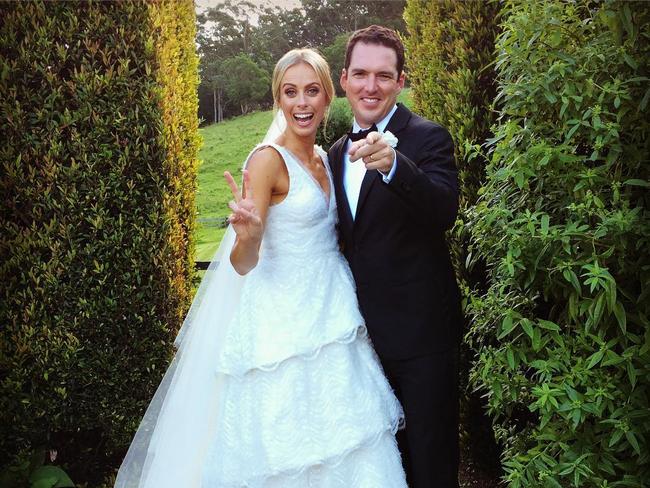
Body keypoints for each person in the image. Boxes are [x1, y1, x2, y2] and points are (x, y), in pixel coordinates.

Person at [115, 48, 407, 488]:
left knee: (344, 435)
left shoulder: (327, 159)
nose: (302, 103)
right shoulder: (266, 159)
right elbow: (242, 262)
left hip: (331, 310)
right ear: (278, 99)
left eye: (312, 91)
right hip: (280, 321)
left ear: (329, 97)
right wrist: (248, 234)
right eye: (290, 92)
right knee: (285, 443)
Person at [327, 25, 462, 488]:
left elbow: (444, 210)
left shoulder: (428, 138)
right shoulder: (334, 153)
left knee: (430, 460)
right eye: (360, 74)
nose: (371, 86)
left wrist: (394, 168)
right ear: (343, 79)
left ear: (401, 81)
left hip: (422, 337)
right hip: (358, 340)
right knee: (380, 464)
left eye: (383, 76)